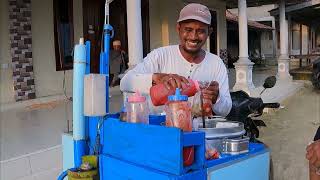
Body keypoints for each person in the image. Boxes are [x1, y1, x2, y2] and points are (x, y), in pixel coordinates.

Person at [120, 3, 232, 116]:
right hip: (160, 130)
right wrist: (157, 78)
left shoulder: (216, 64)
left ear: (209, 32)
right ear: (178, 29)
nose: (193, 36)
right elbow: (125, 82)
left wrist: (217, 98)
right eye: (188, 29)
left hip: (197, 131)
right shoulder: (160, 55)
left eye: (201, 31)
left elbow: (226, 110)